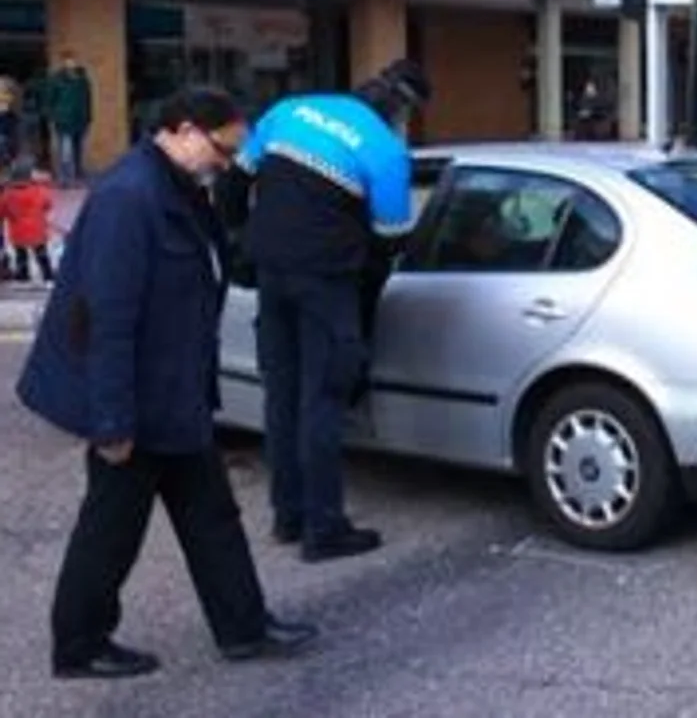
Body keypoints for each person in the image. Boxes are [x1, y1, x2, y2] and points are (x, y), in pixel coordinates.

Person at [13, 87, 317, 680]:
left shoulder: (180, 191)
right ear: (181, 131)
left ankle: (244, 629)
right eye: (222, 150)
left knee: (212, 517)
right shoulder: (131, 198)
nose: (226, 164)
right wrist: (112, 422)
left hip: (175, 393)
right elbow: (107, 318)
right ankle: (79, 646)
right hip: (136, 402)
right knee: (111, 529)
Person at [225, 60, 431, 563]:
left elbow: (231, 186)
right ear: (402, 112)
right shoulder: (385, 151)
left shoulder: (288, 111)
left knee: (283, 395)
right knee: (322, 400)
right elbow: (390, 240)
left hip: (271, 273)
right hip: (325, 281)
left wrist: (244, 245)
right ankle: (325, 529)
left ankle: (288, 517)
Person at [2, 159, 56, 284]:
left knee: (21, 255)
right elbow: (48, 204)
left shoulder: (9, 193)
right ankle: (47, 274)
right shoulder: (39, 190)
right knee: (41, 253)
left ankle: (23, 274)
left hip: (18, 232)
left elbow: (2, 211)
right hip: (37, 230)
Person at [45, 51, 92, 187]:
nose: (71, 63)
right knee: (66, 151)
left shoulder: (83, 79)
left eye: (73, 60)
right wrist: (54, 116)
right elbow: (50, 100)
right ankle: (65, 179)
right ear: (63, 62)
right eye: (68, 60)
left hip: (80, 119)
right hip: (63, 120)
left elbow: (87, 99)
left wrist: (88, 116)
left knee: (78, 150)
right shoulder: (57, 79)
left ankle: (77, 176)